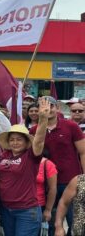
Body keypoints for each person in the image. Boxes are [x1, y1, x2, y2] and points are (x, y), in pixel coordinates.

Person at [29, 96, 85, 235]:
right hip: (45, 183)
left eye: (51, 106)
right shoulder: (34, 130)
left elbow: (83, 152)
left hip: (71, 181)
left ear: (57, 108)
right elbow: (33, 155)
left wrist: (83, 177)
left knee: (75, 222)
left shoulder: (71, 126)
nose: (48, 109)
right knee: (50, 222)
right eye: (43, 107)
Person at [0, 98, 50, 236]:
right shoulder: (4, 156)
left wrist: (43, 119)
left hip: (27, 210)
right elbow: (0, 178)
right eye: (12, 139)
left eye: (19, 139)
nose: (15, 142)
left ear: (27, 142)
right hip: (6, 208)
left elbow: (39, 141)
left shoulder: (31, 156)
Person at [37, 157, 57, 236]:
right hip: (20, 206)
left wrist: (48, 210)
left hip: (40, 206)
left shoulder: (47, 164)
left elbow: (52, 188)